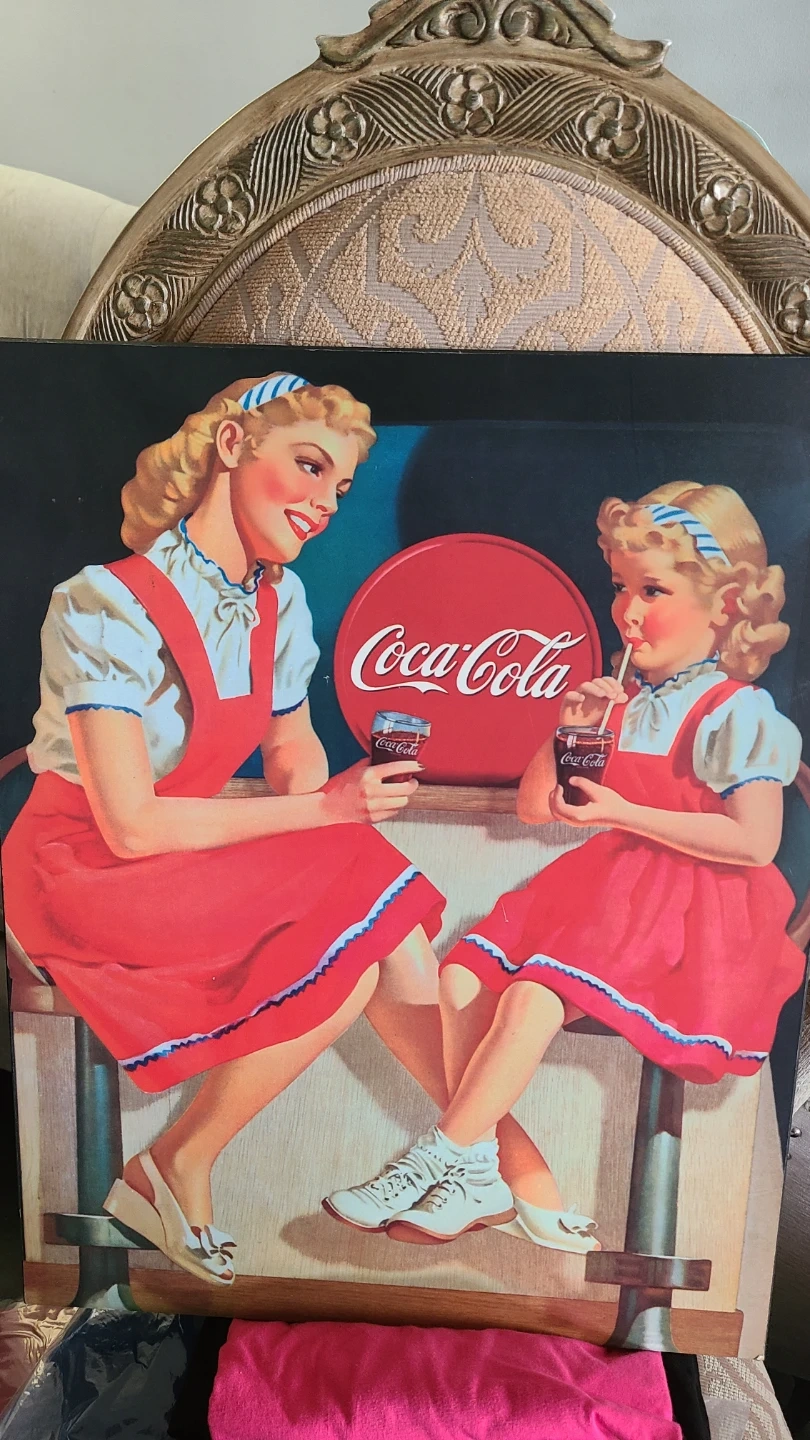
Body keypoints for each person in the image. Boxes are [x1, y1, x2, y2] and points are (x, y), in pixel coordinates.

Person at [2, 371, 456, 1286]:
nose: (326, 502)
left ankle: (191, 1163)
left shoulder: (278, 602)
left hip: (180, 858)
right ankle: (476, 1149)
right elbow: (129, 825)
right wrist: (325, 816)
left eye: (342, 488)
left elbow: (291, 752)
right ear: (233, 445)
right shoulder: (101, 603)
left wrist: (329, 811)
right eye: (310, 467)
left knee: (362, 914)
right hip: (78, 869)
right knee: (362, 914)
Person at [326, 481, 805, 1248]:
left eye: (653, 590)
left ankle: (438, 1155)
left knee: (532, 994)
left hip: (702, 912)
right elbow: (535, 808)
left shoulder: (737, 711)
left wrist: (621, 813)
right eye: (620, 587)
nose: (628, 612)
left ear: (724, 606)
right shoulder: (621, 700)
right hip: (615, 891)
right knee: (459, 978)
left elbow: (754, 844)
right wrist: (567, 726)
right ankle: (479, 1173)